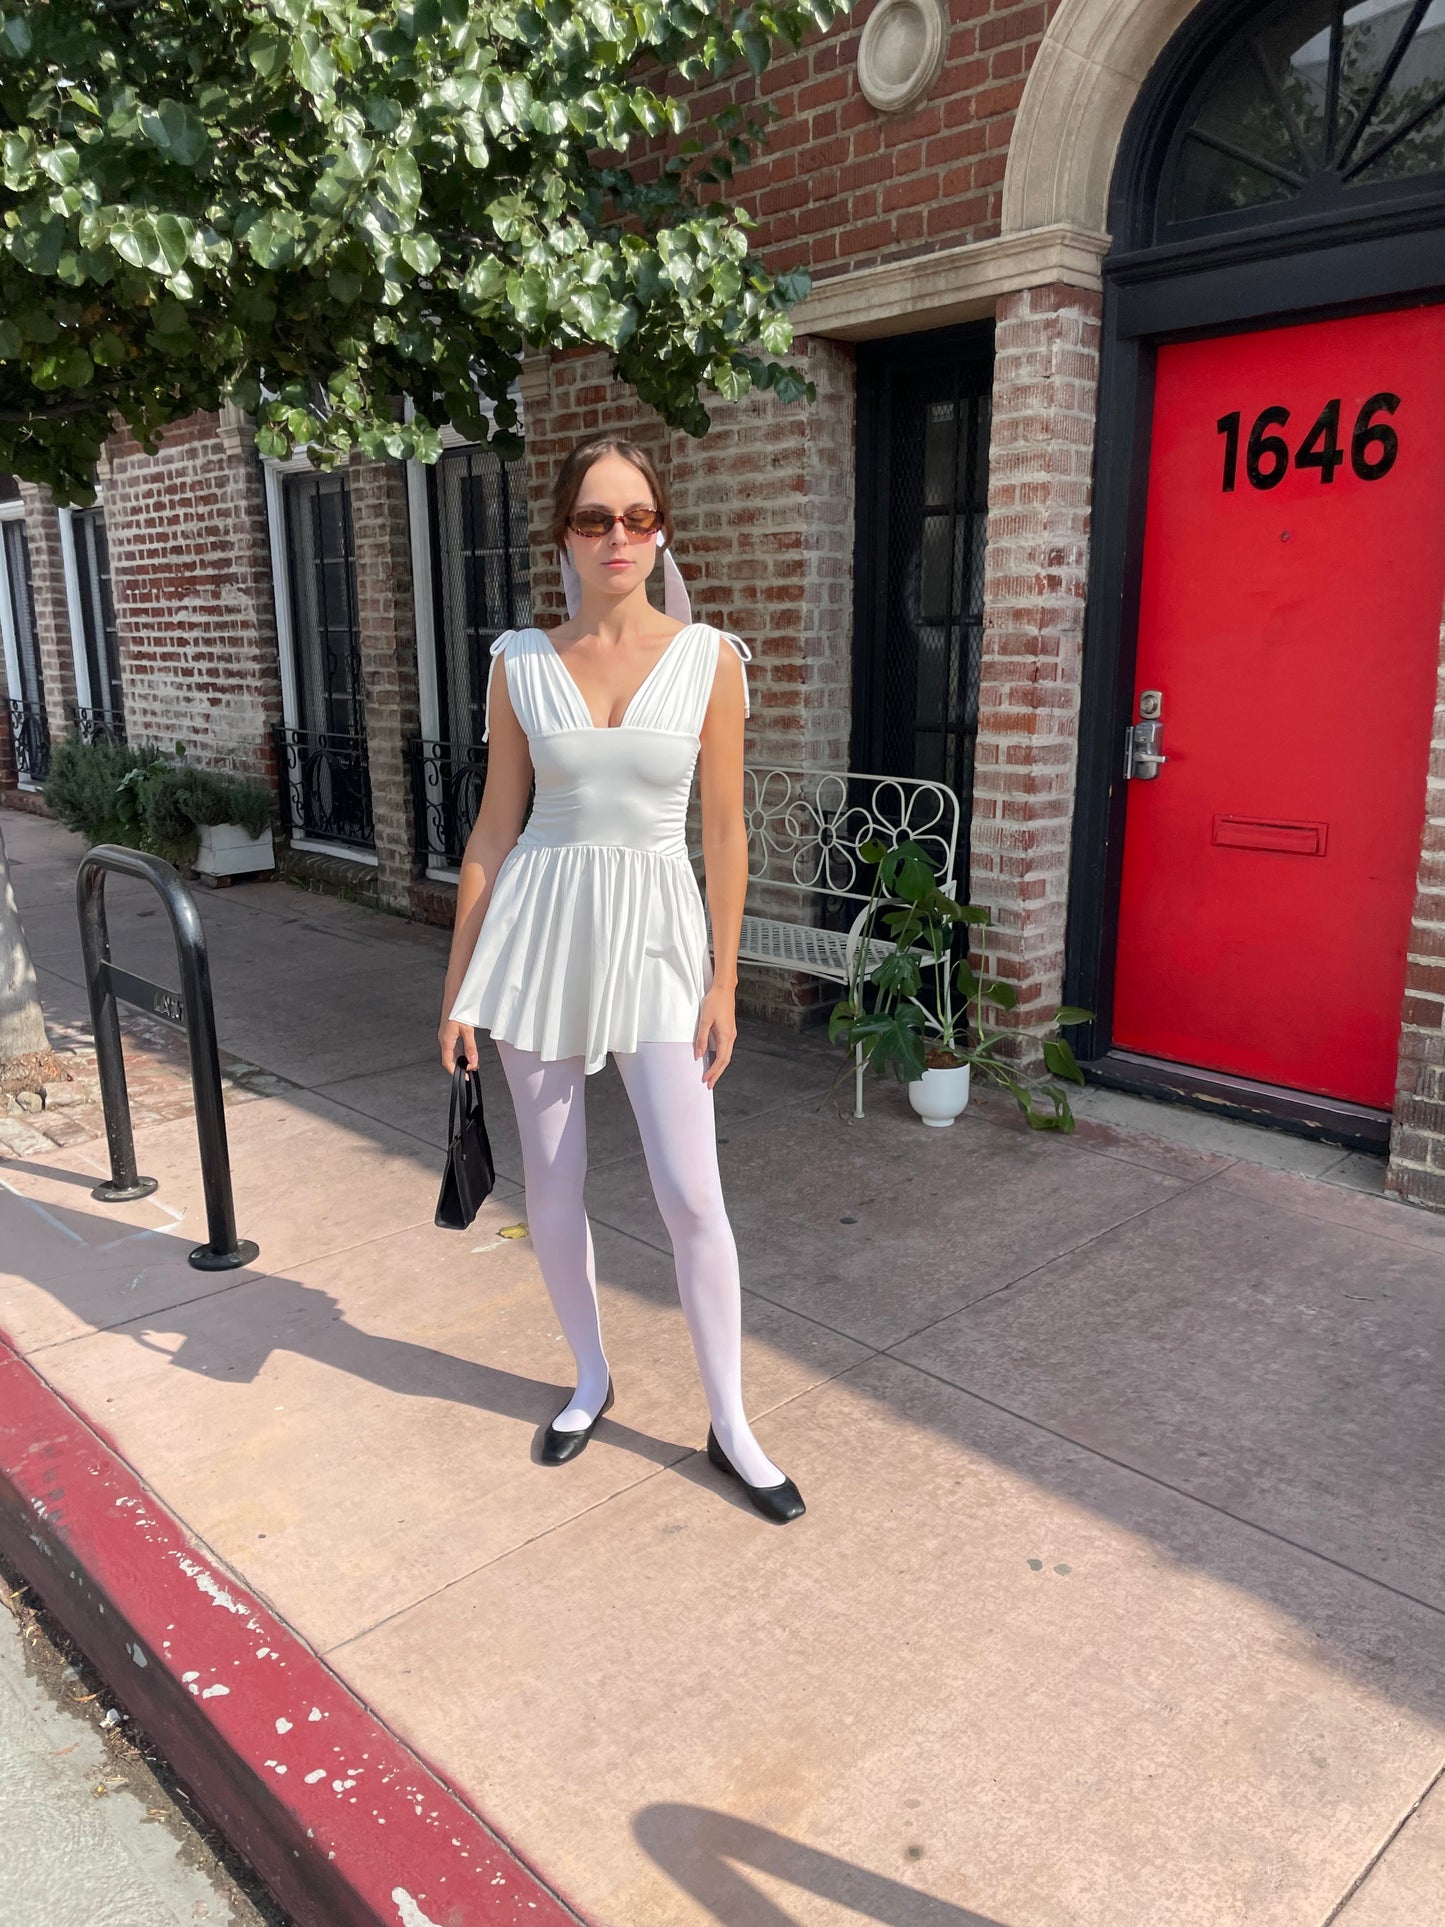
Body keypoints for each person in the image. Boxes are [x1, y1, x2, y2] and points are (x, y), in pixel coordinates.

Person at [437, 431, 805, 1525]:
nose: (618, 537)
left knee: (693, 1193)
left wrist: (724, 980)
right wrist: (458, 985)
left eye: (637, 517)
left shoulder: (709, 659)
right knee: (550, 1186)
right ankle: (589, 1378)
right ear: (562, 532)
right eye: (595, 518)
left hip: (655, 936)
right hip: (536, 938)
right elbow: (492, 832)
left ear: (662, 531)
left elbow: (728, 832)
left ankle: (729, 1419)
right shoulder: (517, 661)